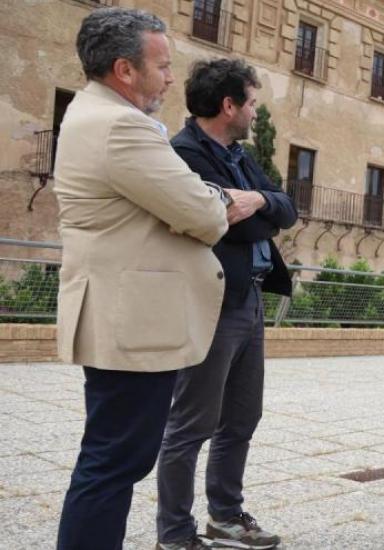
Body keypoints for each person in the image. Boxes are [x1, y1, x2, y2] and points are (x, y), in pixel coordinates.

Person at [53, 8, 230, 550]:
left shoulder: (91, 112)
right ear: (125, 70)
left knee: (111, 460)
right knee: (113, 463)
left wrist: (196, 201)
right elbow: (206, 217)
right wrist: (218, 198)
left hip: (123, 316)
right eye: (163, 66)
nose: (172, 78)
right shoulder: (121, 126)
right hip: (131, 322)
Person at [154, 58, 297, 550]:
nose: (256, 112)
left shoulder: (239, 156)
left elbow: (285, 209)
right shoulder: (184, 154)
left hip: (250, 298)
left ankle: (226, 517)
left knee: (242, 417)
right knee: (192, 423)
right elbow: (225, 224)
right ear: (228, 105)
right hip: (210, 301)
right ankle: (174, 533)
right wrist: (262, 208)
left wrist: (256, 201)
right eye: (251, 103)